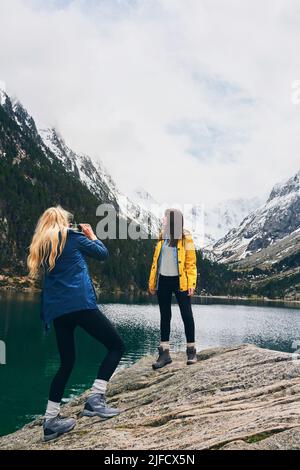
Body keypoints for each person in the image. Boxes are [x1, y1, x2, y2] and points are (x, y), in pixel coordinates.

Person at [27, 206, 125, 441]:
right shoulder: (72, 237)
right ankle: (95, 400)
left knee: (67, 363)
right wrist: (92, 235)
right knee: (117, 346)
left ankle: (50, 421)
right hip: (80, 304)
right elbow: (102, 254)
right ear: (63, 221)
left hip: (58, 311)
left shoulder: (42, 246)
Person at [148, 208, 197, 369]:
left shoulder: (186, 238)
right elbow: (156, 262)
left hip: (180, 281)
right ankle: (165, 353)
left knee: (186, 314)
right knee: (165, 315)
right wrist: (152, 283)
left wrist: (191, 284)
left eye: (165, 217)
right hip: (163, 281)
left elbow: (191, 263)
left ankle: (191, 350)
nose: (163, 219)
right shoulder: (162, 236)